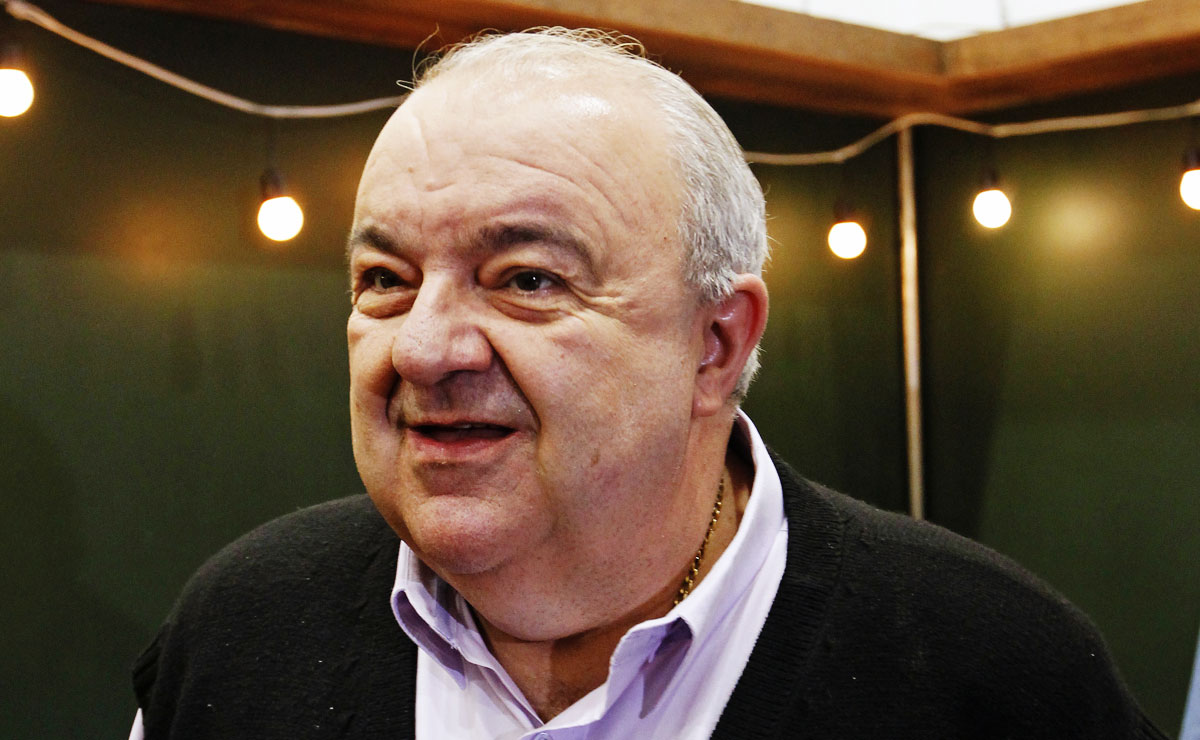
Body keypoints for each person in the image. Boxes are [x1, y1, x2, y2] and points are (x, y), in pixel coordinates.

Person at [131, 28, 1165, 739]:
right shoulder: (238, 635)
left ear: (715, 344)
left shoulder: (993, 676)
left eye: (527, 279)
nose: (425, 348)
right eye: (385, 280)